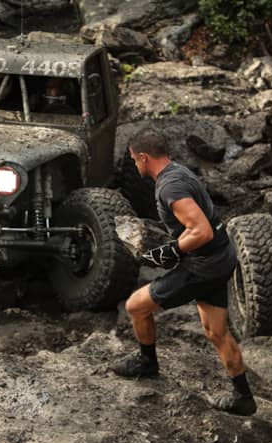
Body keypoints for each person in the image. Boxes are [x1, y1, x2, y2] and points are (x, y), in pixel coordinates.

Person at [110, 128, 256, 416]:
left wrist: (172, 250)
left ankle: (147, 363)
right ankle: (244, 398)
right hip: (220, 258)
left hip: (201, 266)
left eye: (134, 160)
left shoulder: (169, 187)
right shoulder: (179, 171)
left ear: (143, 157)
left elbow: (199, 230)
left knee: (135, 306)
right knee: (216, 331)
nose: (134, 165)